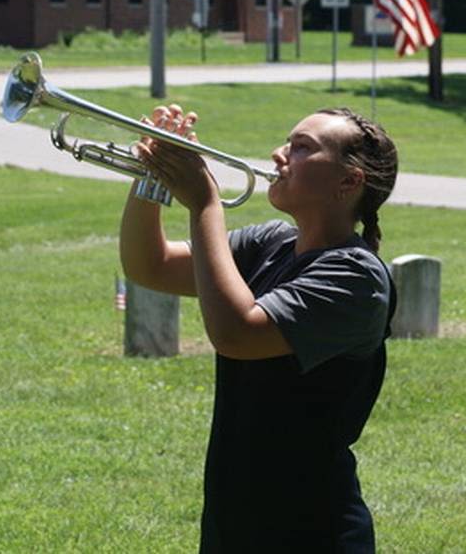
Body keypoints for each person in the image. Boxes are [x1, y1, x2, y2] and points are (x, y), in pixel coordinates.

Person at [120, 104, 399, 553]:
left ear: (349, 182)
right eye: (288, 142)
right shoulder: (269, 244)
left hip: (312, 530)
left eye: (302, 148)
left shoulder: (356, 277)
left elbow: (237, 335)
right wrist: (151, 175)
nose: (278, 154)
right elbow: (149, 266)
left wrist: (205, 203)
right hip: (235, 518)